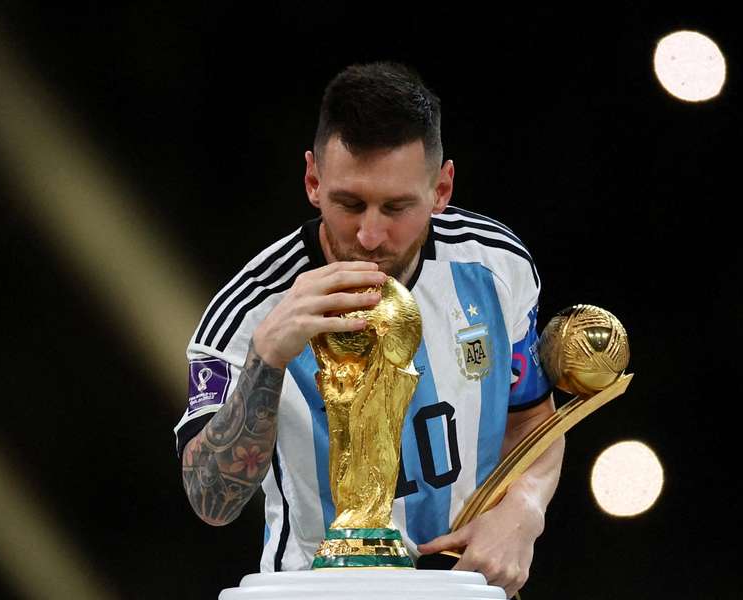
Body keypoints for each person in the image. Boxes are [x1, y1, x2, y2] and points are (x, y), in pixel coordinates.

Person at [174, 61, 565, 598]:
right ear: (313, 181)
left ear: (442, 188)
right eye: (349, 203)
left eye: (397, 206)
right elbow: (210, 499)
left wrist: (525, 507)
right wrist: (266, 358)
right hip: (314, 591)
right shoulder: (246, 313)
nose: (371, 234)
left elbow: (532, 421)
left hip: (461, 590)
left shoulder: (497, 268)